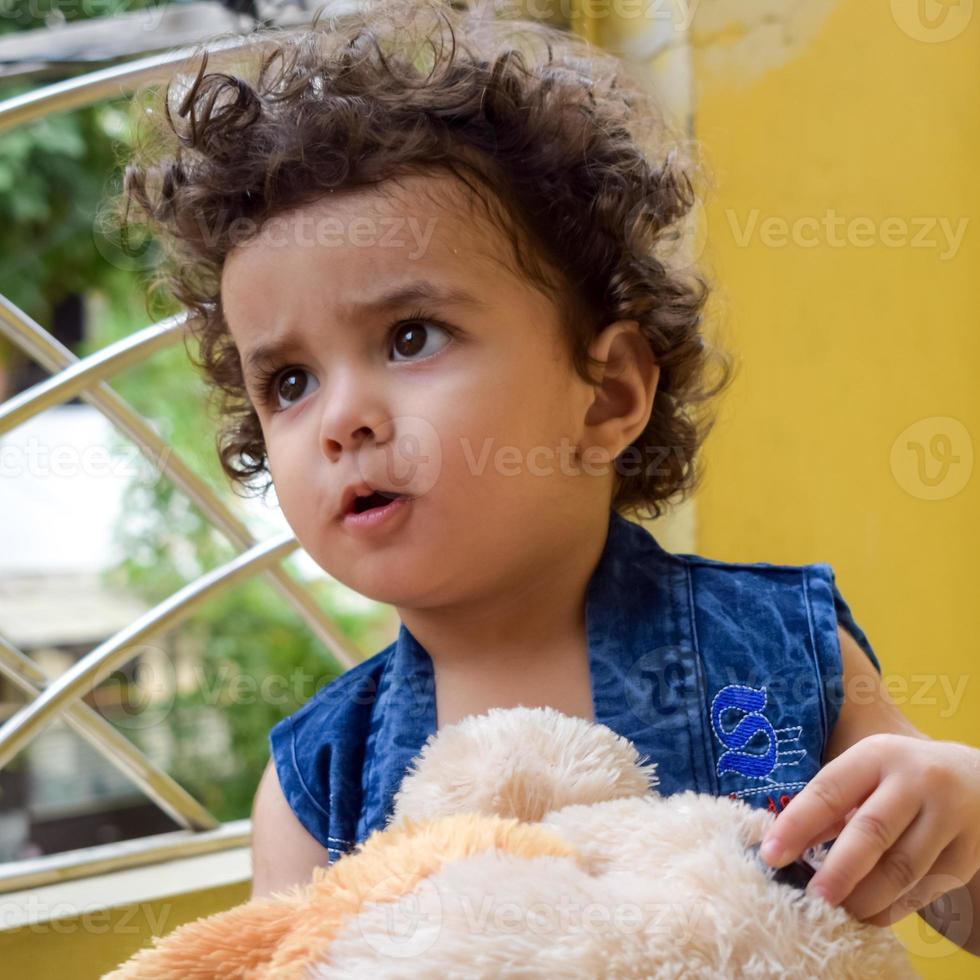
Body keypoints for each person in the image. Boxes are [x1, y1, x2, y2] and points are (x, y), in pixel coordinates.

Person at [117, 0, 980, 954]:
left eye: (410, 336)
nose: (341, 418)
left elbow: (954, 893)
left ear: (606, 395)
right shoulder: (319, 780)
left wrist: (959, 805)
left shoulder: (781, 654)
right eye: (288, 381)